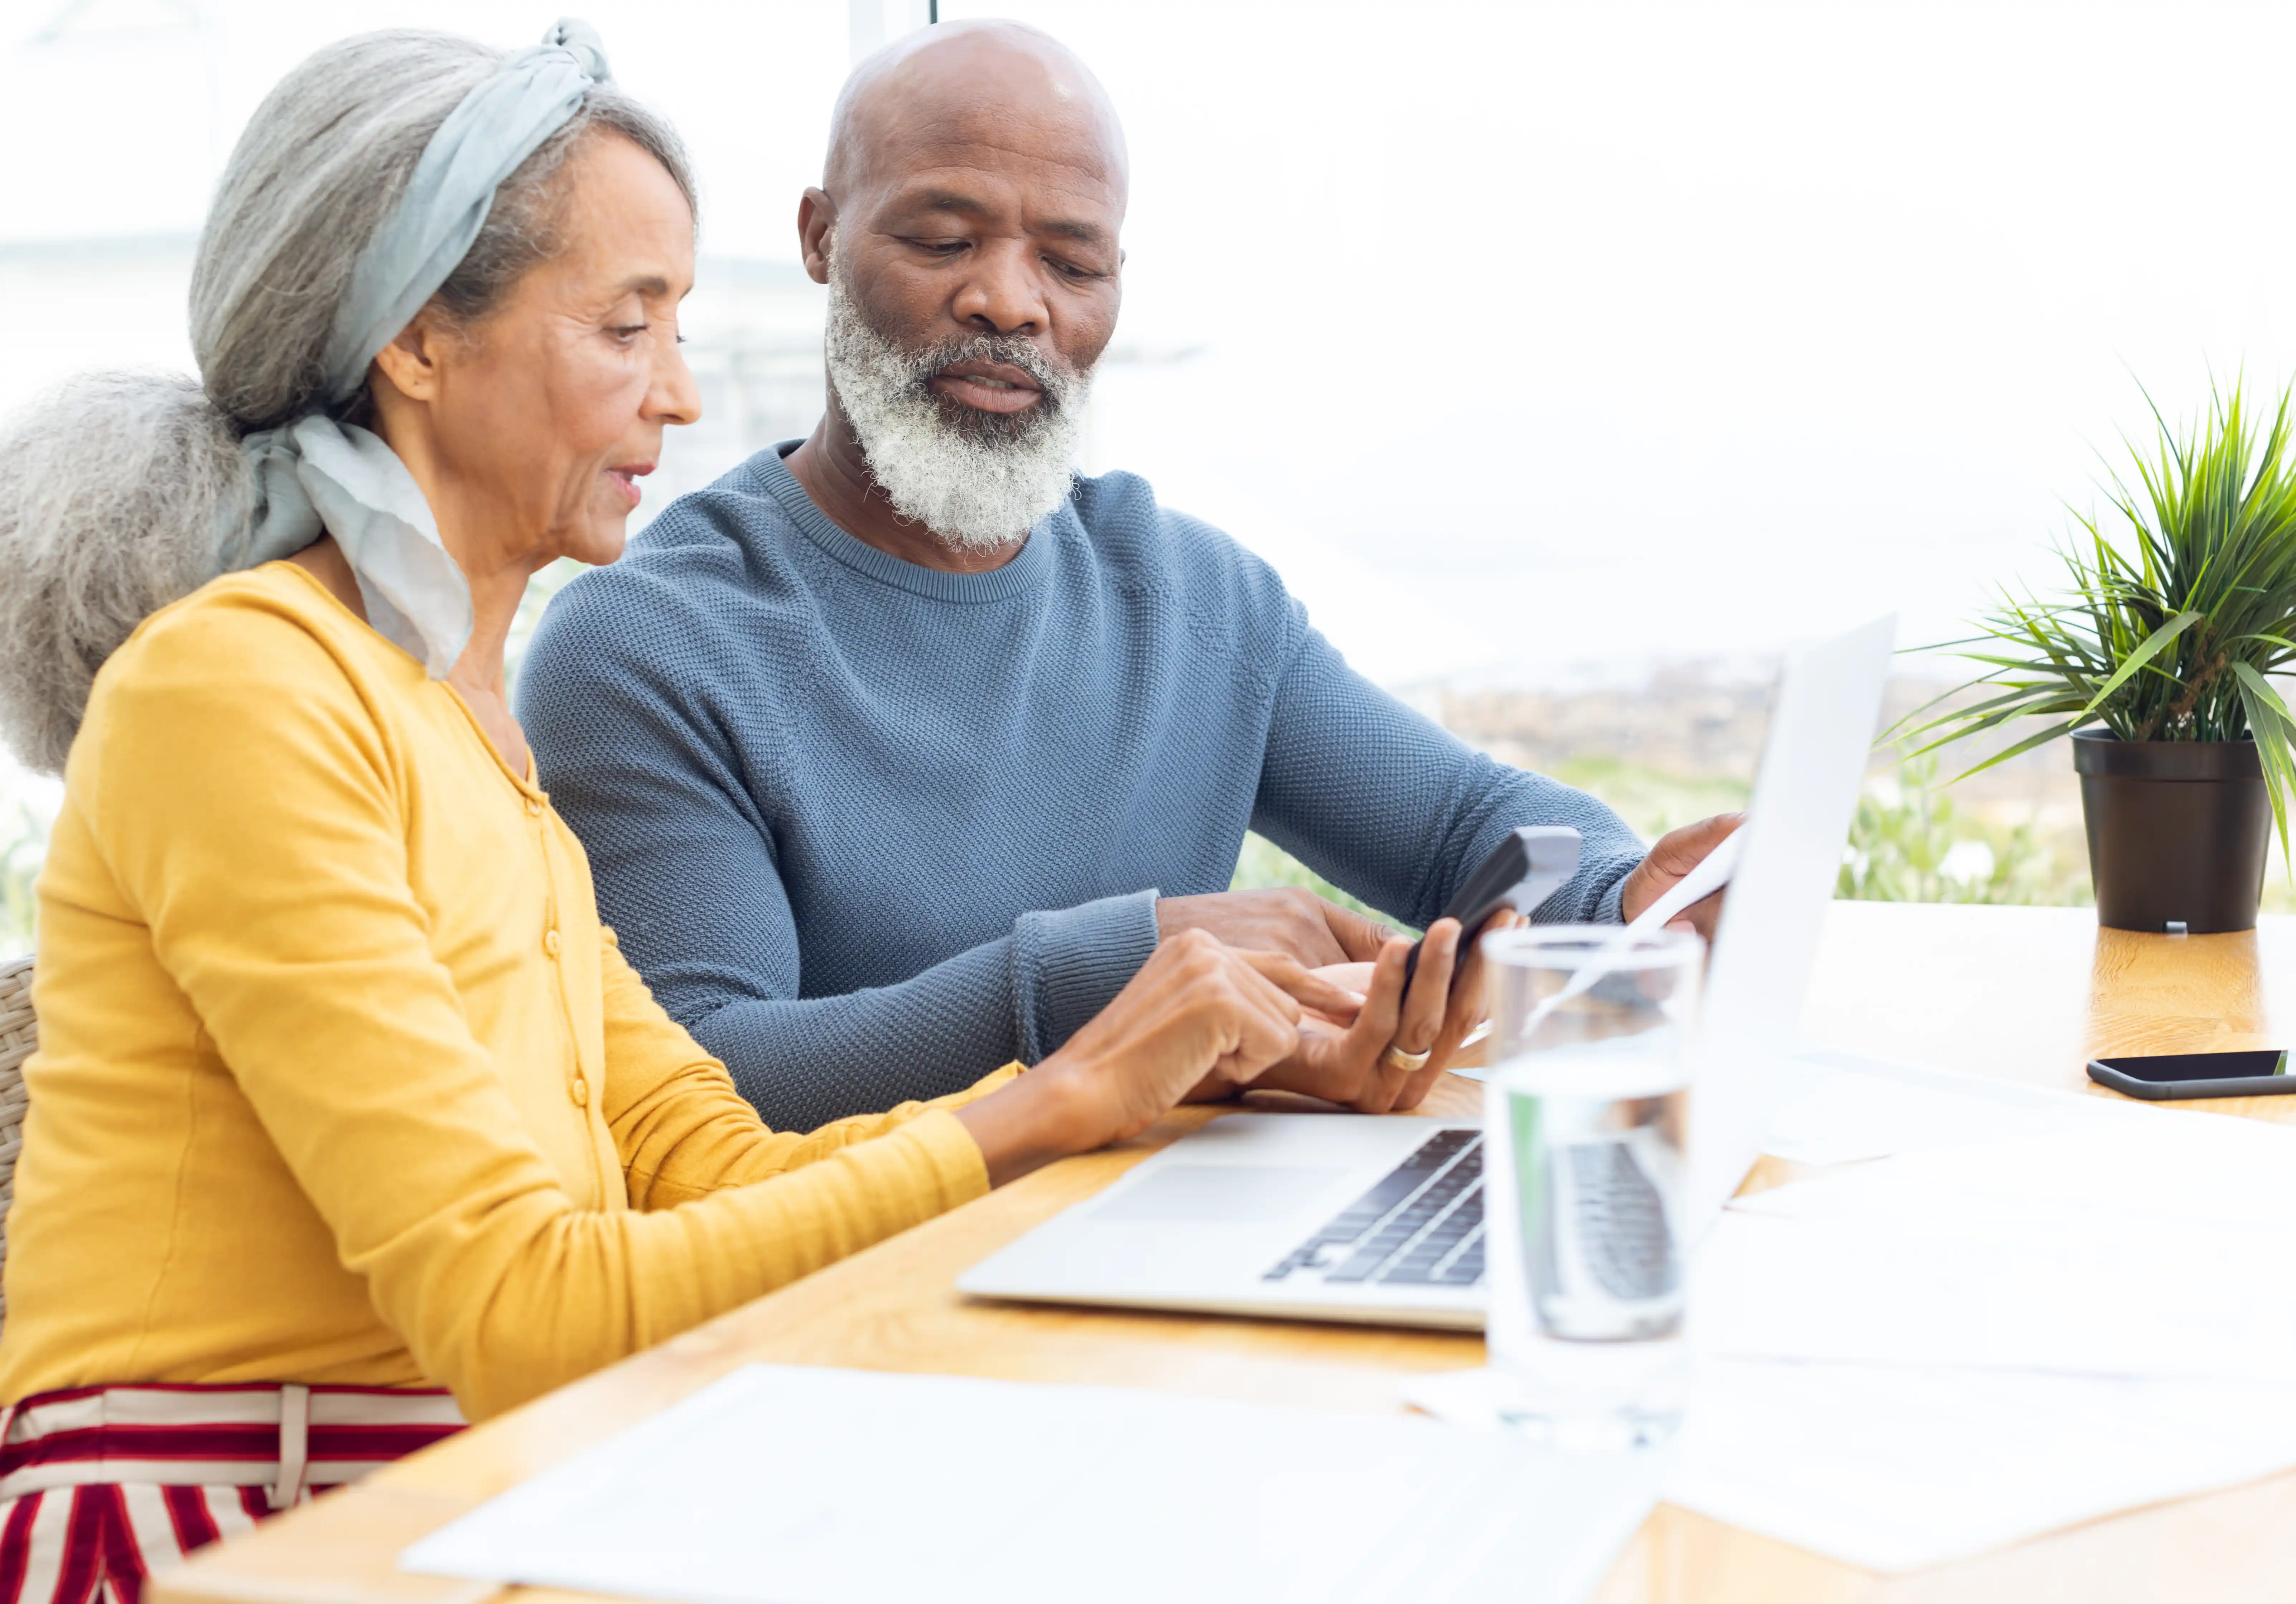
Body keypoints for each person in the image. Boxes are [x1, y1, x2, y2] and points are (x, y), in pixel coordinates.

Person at [0, 24, 1424, 1595]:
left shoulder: (465, 732)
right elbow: (529, 1315)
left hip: (470, 1487)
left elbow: (715, 1157)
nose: (680, 395)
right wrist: (1060, 1097)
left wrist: (1154, 1081)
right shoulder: (241, 693)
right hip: (227, 1526)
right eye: (627, 328)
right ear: (416, 337)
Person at [517, 20, 1743, 1135]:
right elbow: (710, 1078)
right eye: (946, 239)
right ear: (821, 238)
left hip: (1160, 1255)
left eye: (1073, 263)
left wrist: (1623, 893)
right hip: (857, 1307)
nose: (1011, 301)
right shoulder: (647, 646)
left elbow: (1482, 830)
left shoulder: (1194, 606)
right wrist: (1127, 972)